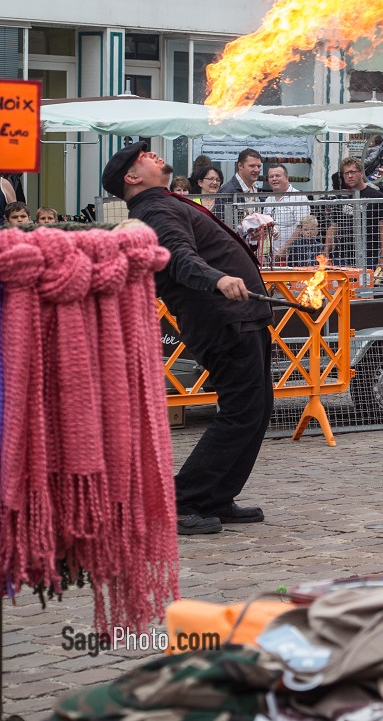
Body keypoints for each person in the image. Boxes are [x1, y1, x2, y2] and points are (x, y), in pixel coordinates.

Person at [105, 142, 272, 536]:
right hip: (223, 318)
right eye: (144, 157)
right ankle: (182, 500)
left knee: (256, 408)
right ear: (132, 177)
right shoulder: (155, 210)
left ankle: (215, 496)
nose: (154, 155)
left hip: (240, 315)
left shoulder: (163, 202)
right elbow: (178, 258)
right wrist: (217, 279)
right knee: (241, 410)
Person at [323, 156, 383, 270]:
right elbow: (333, 227)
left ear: (361, 173)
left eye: (352, 172)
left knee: (366, 287)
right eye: (346, 173)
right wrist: (326, 252)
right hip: (342, 254)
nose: (349, 176)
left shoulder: (376, 196)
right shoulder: (340, 197)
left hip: (368, 254)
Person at [264, 164, 316, 266]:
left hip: (295, 257)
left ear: (286, 178)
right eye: (271, 177)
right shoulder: (268, 200)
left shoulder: (299, 198)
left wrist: (283, 250)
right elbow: (265, 227)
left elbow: (301, 227)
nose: (274, 179)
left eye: (278, 176)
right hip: (272, 258)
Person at [215, 148, 263, 225]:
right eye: (252, 166)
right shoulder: (228, 191)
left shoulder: (256, 188)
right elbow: (221, 225)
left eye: (259, 166)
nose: (257, 170)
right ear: (240, 166)